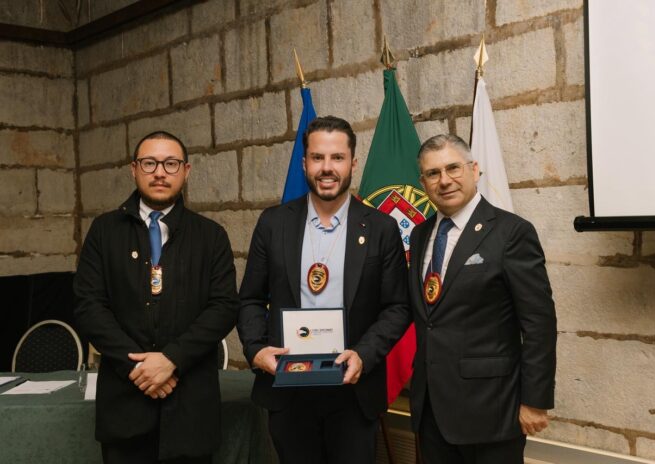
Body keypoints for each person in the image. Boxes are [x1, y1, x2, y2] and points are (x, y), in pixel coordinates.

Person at [238, 116, 410, 464]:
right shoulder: (273, 223)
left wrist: (364, 354)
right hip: (288, 389)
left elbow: (398, 306)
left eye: (337, 158)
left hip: (352, 389)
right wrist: (255, 350)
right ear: (304, 163)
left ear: (353, 164)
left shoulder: (381, 228)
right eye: (318, 157)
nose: (327, 168)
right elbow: (251, 299)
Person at [73, 131, 239, 464]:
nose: (160, 172)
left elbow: (223, 308)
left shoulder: (211, 236)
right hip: (125, 409)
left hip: (190, 409)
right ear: (134, 169)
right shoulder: (104, 231)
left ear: (186, 171)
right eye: (149, 163)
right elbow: (88, 305)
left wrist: (171, 359)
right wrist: (139, 368)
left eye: (170, 164)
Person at [408, 134, 557, 464]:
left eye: (453, 168)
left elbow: (539, 323)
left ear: (474, 170)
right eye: (433, 173)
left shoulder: (511, 233)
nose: (444, 180)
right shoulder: (420, 235)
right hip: (432, 410)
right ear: (423, 183)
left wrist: (535, 401)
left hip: (492, 411)